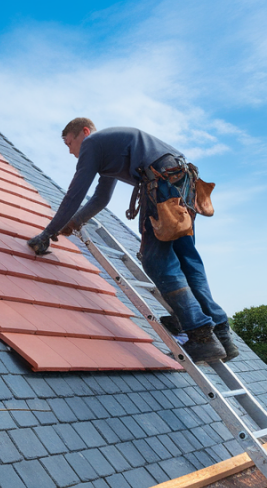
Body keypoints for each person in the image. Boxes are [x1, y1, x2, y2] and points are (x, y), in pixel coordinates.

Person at [27, 118, 238, 363]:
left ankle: (200, 336)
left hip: (161, 183)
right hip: (181, 183)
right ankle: (222, 334)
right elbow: (101, 197)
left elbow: (76, 193)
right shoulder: (111, 148)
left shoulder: (92, 144)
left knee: (157, 262)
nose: (71, 151)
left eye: (70, 143)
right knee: (186, 258)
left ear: (84, 132)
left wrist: (47, 233)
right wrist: (73, 223)